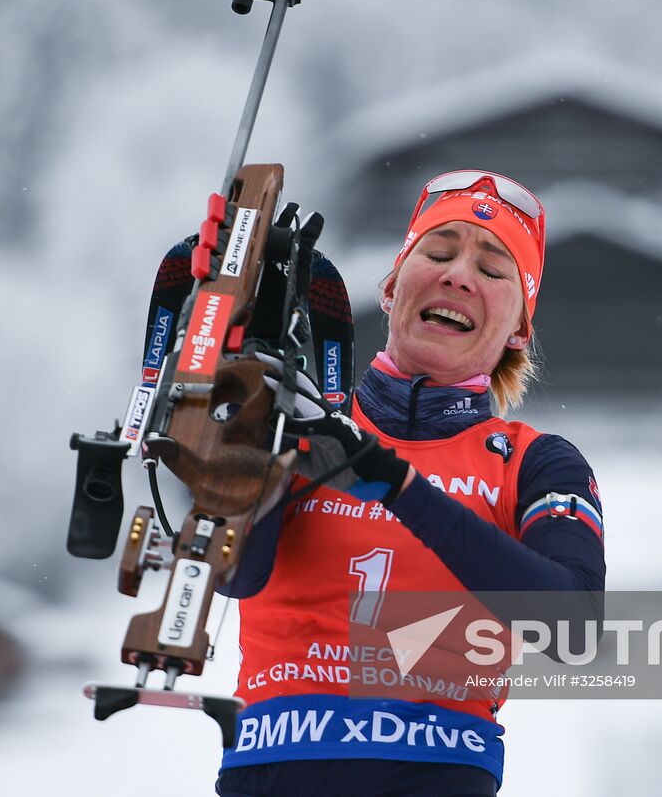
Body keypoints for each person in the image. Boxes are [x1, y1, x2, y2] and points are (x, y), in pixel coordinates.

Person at [213, 170, 607, 796]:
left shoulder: (535, 463)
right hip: (272, 769)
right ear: (393, 287)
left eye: (494, 269)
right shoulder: (306, 423)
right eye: (440, 251)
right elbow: (238, 574)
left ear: (520, 330)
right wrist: (250, 402)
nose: (458, 276)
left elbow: (572, 628)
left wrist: (395, 485)